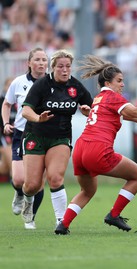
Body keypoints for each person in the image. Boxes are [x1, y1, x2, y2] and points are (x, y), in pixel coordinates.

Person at [54, 55, 137, 235]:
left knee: (87, 191)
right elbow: (135, 111)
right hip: (98, 149)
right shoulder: (112, 97)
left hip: (80, 149)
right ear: (108, 83)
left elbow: (134, 116)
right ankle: (114, 214)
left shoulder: (99, 98)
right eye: (119, 81)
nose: (122, 85)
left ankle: (63, 224)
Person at [20, 49, 93, 228]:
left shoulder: (76, 87)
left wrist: (87, 112)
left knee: (55, 178)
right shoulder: (42, 85)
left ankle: (61, 221)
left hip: (60, 137)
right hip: (35, 135)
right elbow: (26, 110)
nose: (65, 70)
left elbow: (94, 109)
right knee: (32, 185)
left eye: (68, 66)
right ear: (53, 67)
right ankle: (27, 203)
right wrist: (38, 118)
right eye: (60, 66)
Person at [2, 48, 49, 229]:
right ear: (29, 63)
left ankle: (30, 217)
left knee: (37, 182)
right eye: (37, 59)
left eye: (44, 60)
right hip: (21, 133)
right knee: (19, 180)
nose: (41, 63)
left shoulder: (53, 83)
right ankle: (19, 194)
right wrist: (6, 123)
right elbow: (7, 104)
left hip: (45, 135)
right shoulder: (18, 82)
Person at [0, 77, 14, 179]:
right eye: (8, 85)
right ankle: (19, 193)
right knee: (14, 167)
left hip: (17, 137)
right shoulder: (2, 102)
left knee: (4, 168)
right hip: (4, 137)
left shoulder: (20, 101)